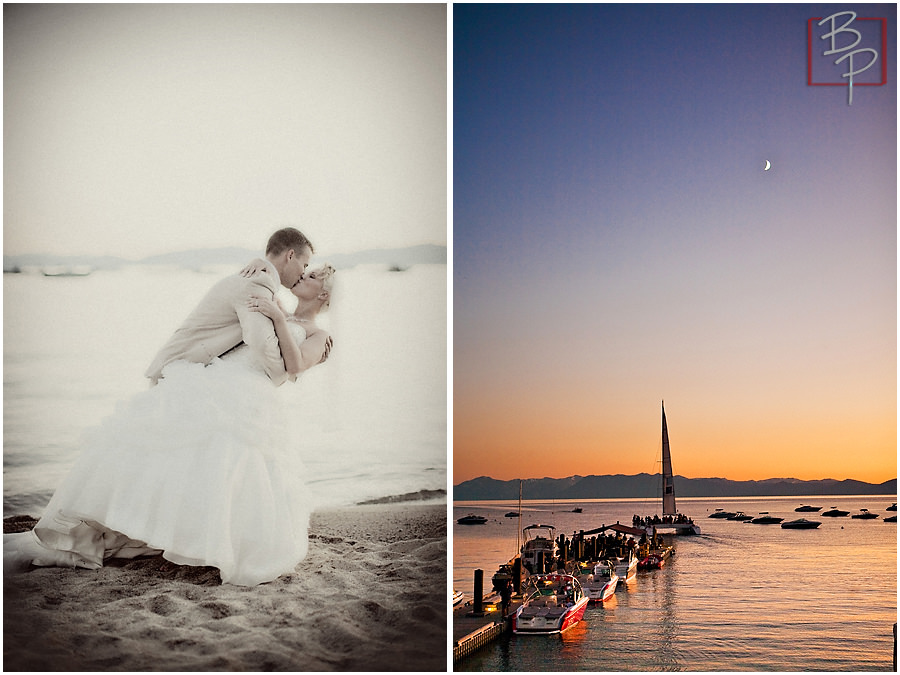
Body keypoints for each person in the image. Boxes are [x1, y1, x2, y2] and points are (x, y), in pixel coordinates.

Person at [3, 233, 334, 587]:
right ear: (288, 255)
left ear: (325, 294)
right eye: (304, 265)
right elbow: (258, 334)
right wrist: (266, 281)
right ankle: (155, 530)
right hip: (220, 379)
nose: (304, 273)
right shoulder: (262, 286)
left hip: (240, 385)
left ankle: (209, 538)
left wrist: (278, 327)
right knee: (195, 460)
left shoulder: (309, 327)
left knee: (224, 464)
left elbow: (290, 365)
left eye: (312, 275)